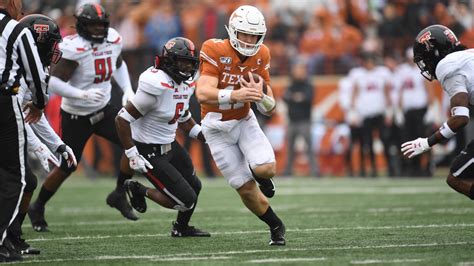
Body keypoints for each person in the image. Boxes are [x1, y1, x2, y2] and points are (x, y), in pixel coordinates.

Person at [28, 3, 137, 233]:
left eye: (101, 25)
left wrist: (127, 89)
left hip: (105, 108)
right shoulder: (72, 47)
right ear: (81, 26)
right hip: (76, 113)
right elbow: (54, 82)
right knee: (68, 165)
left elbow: (118, 64)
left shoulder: (113, 39)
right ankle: (37, 206)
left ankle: (118, 193)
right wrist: (82, 93)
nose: (98, 29)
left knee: (133, 145)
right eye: (93, 25)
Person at [196, 5, 286, 245]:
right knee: (244, 189)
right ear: (233, 31)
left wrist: (261, 97)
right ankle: (276, 225)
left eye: (254, 35)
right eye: (244, 34)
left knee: (266, 168)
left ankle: (261, 176)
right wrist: (236, 96)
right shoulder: (214, 48)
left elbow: (271, 107)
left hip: (244, 120)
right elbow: (202, 93)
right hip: (215, 129)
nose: (249, 40)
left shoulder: (262, 53)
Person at [116, 37, 210, 237]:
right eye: (183, 61)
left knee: (196, 186)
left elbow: (183, 118)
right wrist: (133, 154)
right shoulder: (156, 84)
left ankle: (181, 228)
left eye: (191, 62)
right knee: (185, 200)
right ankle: (139, 189)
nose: (187, 66)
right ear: (169, 60)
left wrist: (205, 135)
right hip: (149, 151)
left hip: (169, 144)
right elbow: (122, 120)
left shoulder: (186, 84)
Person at [5, 13, 77, 256]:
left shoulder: (35, 67)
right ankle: (8, 238)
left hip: (10, 124)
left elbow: (33, 114)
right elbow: (16, 116)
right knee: (18, 181)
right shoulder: (20, 72)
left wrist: (58, 145)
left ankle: (12, 237)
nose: (55, 49)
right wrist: (38, 146)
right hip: (6, 124)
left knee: (25, 182)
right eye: (52, 43)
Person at [0, 0, 49, 262]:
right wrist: (40, 104)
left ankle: (9, 238)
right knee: (15, 178)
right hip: (4, 102)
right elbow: (35, 74)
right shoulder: (15, 29)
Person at [401, 25, 474, 200]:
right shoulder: (469, 55)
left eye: (425, 58)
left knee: (456, 177)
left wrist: (427, 142)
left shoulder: (447, 65)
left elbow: (461, 118)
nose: (425, 64)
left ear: (434, 52)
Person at [282, 59, 319, 177]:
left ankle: (315, 171)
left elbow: (307, 98)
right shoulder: (292, 85)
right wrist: (297, 98)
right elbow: (285, 97)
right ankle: (288, 170)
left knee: (309, 147)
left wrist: (295, 98)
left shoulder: (308, 85)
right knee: (290, 149)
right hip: (292, 121)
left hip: (304, 121)